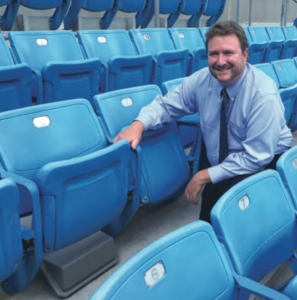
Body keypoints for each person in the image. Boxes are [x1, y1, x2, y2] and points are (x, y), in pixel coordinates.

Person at [113, 21, 293, 223]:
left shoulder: (262, 94)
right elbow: (166, 105)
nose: (220, 61)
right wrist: (138, 125)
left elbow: (255, 157)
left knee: (246, 224)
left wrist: (202, 176)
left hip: (264, 160)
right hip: (223, 156)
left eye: (228, 53)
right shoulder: (202, 81)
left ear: (245, 55)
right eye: (214, 54)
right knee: (209, 220)